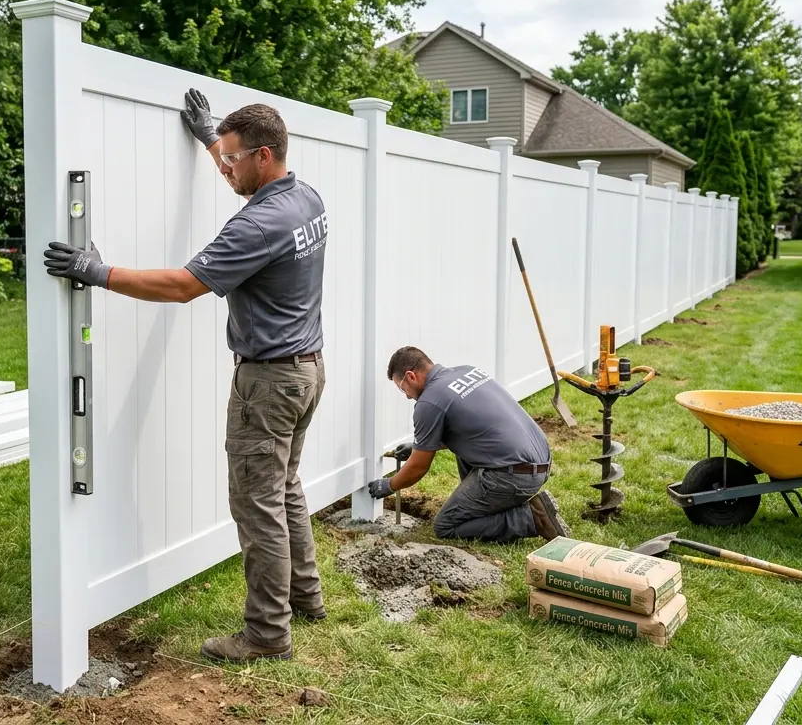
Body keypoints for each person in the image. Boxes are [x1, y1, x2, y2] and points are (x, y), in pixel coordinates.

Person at [41, 89, 329, 664]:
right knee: (285, 487)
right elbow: (245, 171)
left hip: (268, 384)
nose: (223, 169)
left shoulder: (258, 226)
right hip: (307, 369)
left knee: (257, 504)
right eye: (218, 157)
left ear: (264, 156)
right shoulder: (306, 198)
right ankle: (306, 597)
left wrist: (97, 271)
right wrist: (211, 137)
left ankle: (268, 635)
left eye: (231, 160)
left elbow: (182, 287)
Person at [367, 346, 570, 543]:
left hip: (515, 476)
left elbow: (418, 468)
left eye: (403, 389)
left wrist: (388, 485)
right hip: (540, 460)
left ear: (411, 376)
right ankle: (486, 505)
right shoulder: (467, 371)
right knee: (462, 450)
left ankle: (532, 518)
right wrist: (420, 446)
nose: (408, 396)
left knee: (446, 525)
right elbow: (473, 428)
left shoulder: (428, 402)